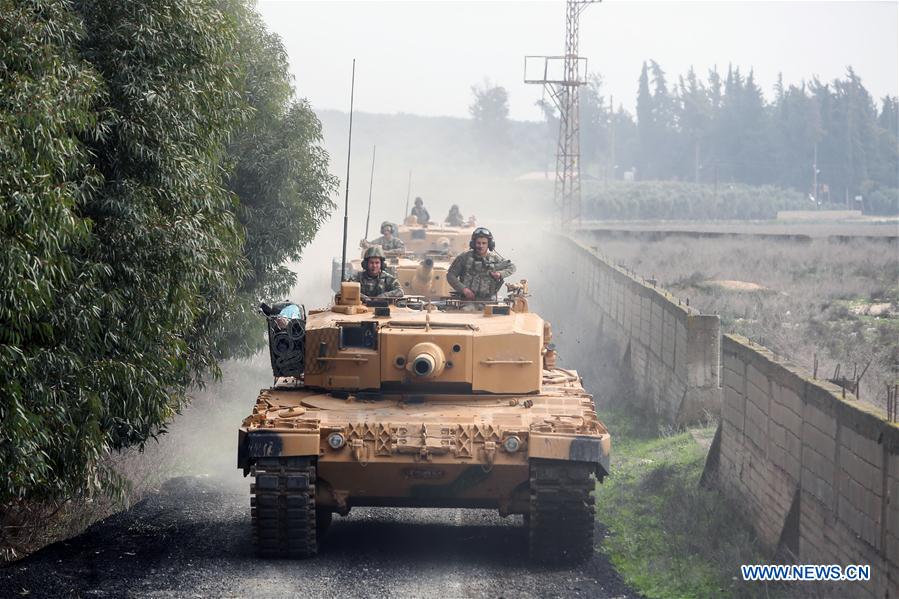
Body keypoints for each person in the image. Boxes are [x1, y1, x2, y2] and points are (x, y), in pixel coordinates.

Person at [447, 227, 516, 301]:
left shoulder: (495, 259)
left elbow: (512, 267)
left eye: (484, 243)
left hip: (488, 301)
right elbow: (450, 275)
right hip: (466, 300)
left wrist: (500, 274)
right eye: (478, 243)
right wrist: (464, 289)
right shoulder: (464, 258)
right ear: (473, 244)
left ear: (489, 244)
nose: (481, 246)